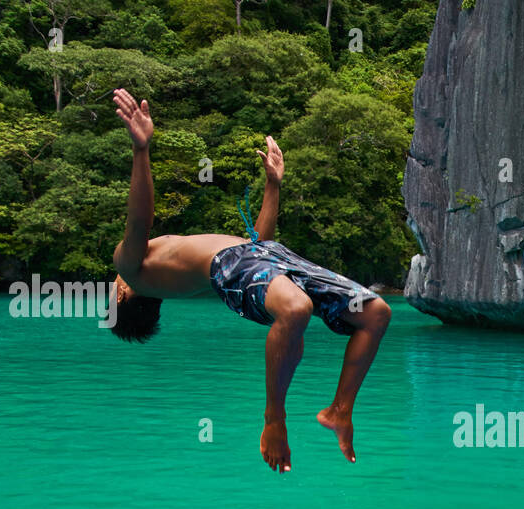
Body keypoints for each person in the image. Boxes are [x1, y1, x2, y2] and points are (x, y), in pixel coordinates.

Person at [108, 89, 391, 472]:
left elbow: (259, 243)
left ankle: (340, 411)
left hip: (264, 256)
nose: (112, 282)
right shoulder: (131, 271)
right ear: (124, 295)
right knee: (296, 309)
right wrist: (141, 150)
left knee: (376, 313)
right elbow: (139, 219)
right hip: (236, 265)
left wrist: (272, 184)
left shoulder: (169, 275)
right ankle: (274, 418)